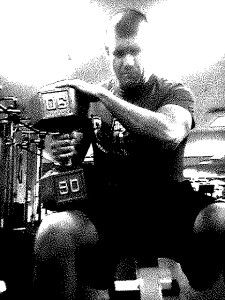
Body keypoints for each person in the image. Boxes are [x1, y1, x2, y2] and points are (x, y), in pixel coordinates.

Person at [33, 8, 225, 300]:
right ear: (107, 52)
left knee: (223, 220)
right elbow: (69, 161)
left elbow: (170, 132)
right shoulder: (89, 100)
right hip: (113, 205)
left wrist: (105, 97)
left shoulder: (174, 91)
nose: (127, 62)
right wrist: (61, 154)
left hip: (170, 202)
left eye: (136, 51)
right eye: (119, 54)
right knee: (53, 232)